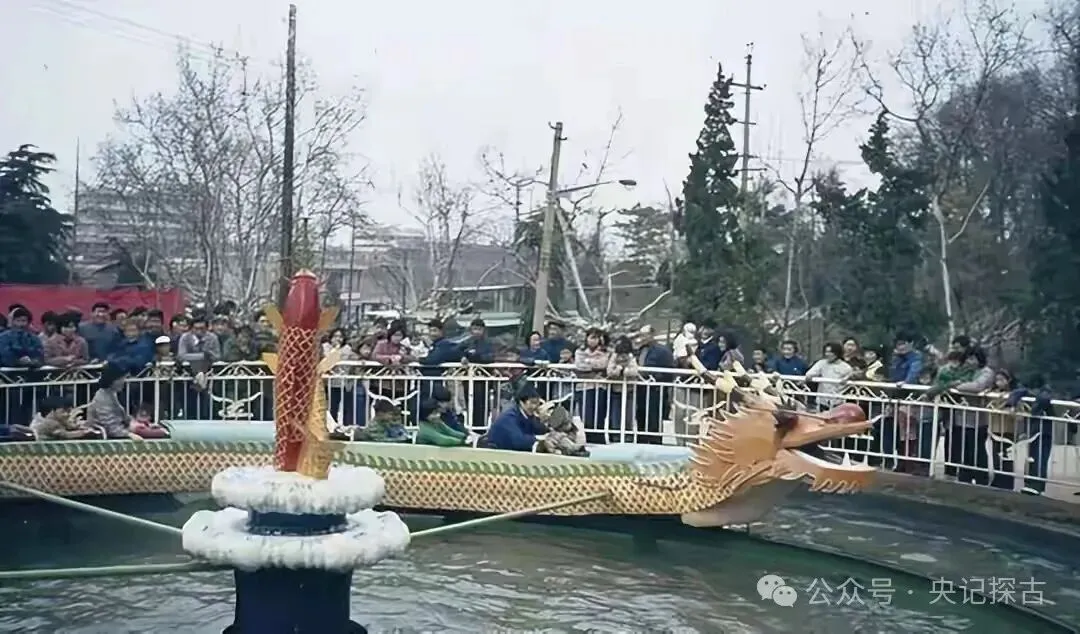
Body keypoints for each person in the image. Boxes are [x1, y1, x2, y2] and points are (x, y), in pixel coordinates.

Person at [86, 365, 143, 440]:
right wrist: (129, 434)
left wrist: (139, 424)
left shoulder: (111, 394)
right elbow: (111, 428)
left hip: (122, 429)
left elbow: (125, 419)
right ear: (112, 380)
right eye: (121, 379)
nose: (123, 381)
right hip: (110, 434)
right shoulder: (102, 398)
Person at [485, 384, 547, 452]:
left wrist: (544, 420)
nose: (535, 406)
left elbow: (541, 430)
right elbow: (518, 441)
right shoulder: (509, 417)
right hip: (494, 452)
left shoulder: (529, 416)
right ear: (521, 402)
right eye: (533, 403)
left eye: (538, 403)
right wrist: (541, 438)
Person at [804, 342, 854, 410]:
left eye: (830, 352)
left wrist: (847, 378)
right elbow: (810, 373)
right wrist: (810, 376)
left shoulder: (846, 367)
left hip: (838, 402)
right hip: (822, 401)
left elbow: (851, 378)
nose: (827, 354)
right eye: (826, 352)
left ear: (837, 353)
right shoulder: (821, 363)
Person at [30, 393, 100, 440]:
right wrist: (85, 432)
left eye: (68, 411)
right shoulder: (49, 423)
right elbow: (65, 435)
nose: (67, 414)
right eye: (63, 411)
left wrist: (76, 426)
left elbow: (68, 427)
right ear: (52, 411)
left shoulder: (53, 420)